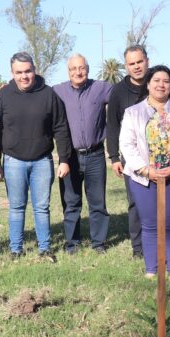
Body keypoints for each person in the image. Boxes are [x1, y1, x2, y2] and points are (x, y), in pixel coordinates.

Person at [119, 65, 170, 281]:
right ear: (148, 84)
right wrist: (145, 170)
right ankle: (152, 269)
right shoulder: (133, 112)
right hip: (143, 178)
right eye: (157, 80)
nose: (161, 85)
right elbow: (127, 143)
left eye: (166, 81)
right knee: (149, 224)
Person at [0, 52, 72, 263]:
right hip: (13, 161)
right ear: (12, 73)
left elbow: (61, 127)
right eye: (19, 72)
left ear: (34, 70)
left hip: (42, 161)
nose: (24, 76)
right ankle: (16, 249)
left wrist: (63, 159)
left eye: (28, 71)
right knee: (17, 207)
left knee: (41, 207)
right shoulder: (3, 96)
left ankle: (45, 248)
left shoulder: (49, 94)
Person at [53, 54, 113, 254]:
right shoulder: (58, 91)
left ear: (87, 69)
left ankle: (98, 243)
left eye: (82, 68)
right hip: (69, 157)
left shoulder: (101, 88)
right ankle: (72, 244)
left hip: (95, 155)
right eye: (73, 69)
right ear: (68, 71)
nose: (78, 72)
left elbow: (123, 95)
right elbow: (36, 92)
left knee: (98, 202)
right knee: (71, 202)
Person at [107, 45, 149, 258]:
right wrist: (114, 157)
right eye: (132, 64)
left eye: (139, 62)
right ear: (126, 66)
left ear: (147, 61)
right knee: (136, 201)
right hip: (131, 157)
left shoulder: (157, 83)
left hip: (160, 156)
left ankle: (159, 241)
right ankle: (138, 248)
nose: (136, 67)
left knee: (160, 202)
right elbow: (112, 125)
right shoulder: (118, 91)